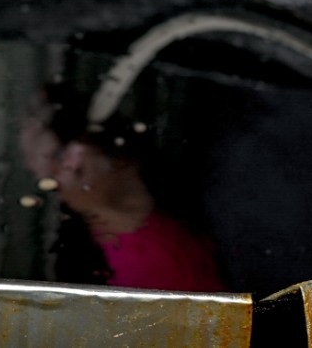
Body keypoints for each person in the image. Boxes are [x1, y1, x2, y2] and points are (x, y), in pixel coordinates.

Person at [20, 83, 226, 292]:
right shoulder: (108, 272)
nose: (74, 159)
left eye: (66, 145)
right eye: (56, 159)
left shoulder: (205, 196)